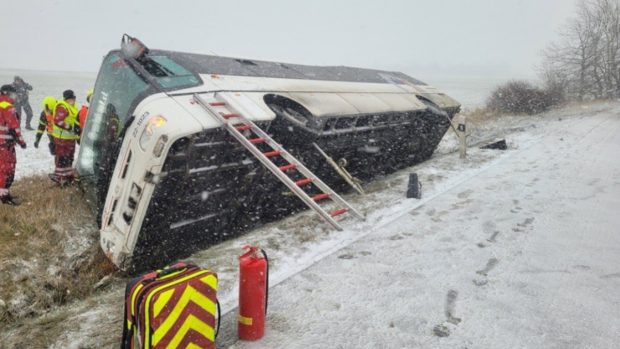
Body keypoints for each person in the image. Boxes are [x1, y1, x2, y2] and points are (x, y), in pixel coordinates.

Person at [0, 85, 27, 205]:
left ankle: (4, 194)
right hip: (6, 145)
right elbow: (15, 129)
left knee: (2, 169)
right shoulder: (8, 108)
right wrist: (22, 142)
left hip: (2, 144)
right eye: (14, 94)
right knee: (7, 170)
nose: (16, 97)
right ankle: (4, 197)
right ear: (9, 94)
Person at [50, 90, 79, 185]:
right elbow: (58, 121)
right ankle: (59, 177)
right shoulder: (62, 107)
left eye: (74, 98)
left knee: (69, 157)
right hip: (62, 138)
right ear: (67, 99)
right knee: (62, 157)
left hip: (70, 138)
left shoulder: (72, 107)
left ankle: (67, 176)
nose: (73, 100)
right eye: (71, 98)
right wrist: (70, 127)